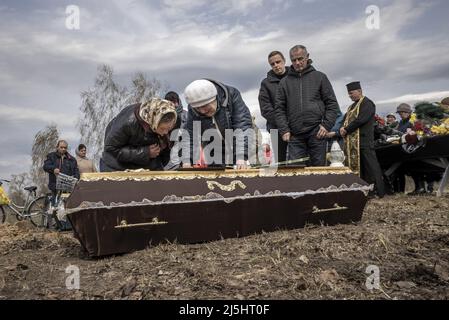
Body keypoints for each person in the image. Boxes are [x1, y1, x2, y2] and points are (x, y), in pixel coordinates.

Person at [275, 45, 340, 166]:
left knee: (318, 171)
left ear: (307, 57)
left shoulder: (320, 77)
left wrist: (326, 125)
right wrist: (284, 130)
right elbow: (279, 109)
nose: (297, 62)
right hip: (294, 136)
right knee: (295, 172)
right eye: (294, 60)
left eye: (300, 59)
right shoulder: (284, 82)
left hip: (317, 133)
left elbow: (332, 104)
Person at [183, 79, 253, 169]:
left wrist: (241, 156)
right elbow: (190, 134)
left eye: (205, 106)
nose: (202, 111)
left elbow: (242, 125)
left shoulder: (232, 95)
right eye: (198, 108)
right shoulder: (193, 108)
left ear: (214, 98)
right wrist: (187, 160)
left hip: (237, 144)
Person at [99, 98, 178, 172]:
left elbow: (164, 157)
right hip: (116, 165)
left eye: (169, 128)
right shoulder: (128, 122)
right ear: (154, 121)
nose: (165, 132)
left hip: (147, 163)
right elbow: (110, 148)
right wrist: (145, 153)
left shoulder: (170, 121)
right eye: (162, 129)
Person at [339, 81, 385, 198]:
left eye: (351, 93)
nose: (350, 95)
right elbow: (345, 120)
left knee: (371, 166)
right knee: (361, 168)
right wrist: (341, 128)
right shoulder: (351, 107)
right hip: (353, 142)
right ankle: (364, 190)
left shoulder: (367, 103)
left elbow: (361, 119)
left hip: (364, 140)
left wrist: (347, 129)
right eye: (348, 94)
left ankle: (379, 191)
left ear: (359, 91)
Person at [258, 51, 288, 163]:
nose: (276, 65)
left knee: (298, 161)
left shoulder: (294, 78)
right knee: (280, 162)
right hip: (276, 128)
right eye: (272, 64)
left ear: (284, 61)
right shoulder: (266, 84)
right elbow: (265, 109)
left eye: (278, 62)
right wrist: (283, 124)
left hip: (297, 127)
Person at [43, 140, 80, 230]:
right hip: (55, 187)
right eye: (61, 147)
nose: (63, 149)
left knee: (67, 207)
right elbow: (45, 166)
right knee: (55, 207)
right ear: (57, 147)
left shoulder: (71, 159)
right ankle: (59, 226)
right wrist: (53, 169)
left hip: (68, 188)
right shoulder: (51, 156)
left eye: (65, 147)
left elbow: (76, 171)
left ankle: (68, 227)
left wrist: (75, 178)